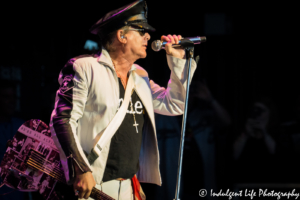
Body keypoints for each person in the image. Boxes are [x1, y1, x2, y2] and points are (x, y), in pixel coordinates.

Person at [49, 1, 197, 200]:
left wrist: (178, 62)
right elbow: (62, 120)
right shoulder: (85, 68)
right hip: (92, 185)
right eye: (141, 30)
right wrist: (80, 168)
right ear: (122, 35)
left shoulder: (140, 76)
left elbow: (175, 104)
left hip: (129, 187)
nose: (148, 36)